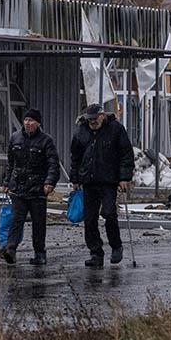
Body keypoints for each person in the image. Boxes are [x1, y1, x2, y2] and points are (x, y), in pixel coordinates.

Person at [70, 103, 134, 268]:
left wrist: (124, 177)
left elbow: (126, 154)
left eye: (95, 118)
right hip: (89, 182)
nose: (92, 122)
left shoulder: (115, 129)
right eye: (90, 119)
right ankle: (96, 253)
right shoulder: (81, 131)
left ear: (102, 116)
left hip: (108, 181)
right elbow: (75, 157)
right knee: (90, 219)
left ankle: (116, 246)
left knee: (109, 213)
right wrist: (75, 179)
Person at [0, 108, 60, 266]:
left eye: (31, 120)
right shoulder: (15, 138)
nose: (28, 123)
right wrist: (6, 182)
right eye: (26, 120)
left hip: (38, 189)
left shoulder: (46, 141)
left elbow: (53, 164)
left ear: (38, 123)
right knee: (16, 220)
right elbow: (11, 163)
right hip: (18, 188)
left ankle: (40, 253)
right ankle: (10, 250)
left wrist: (49, 182)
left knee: (38, 223)